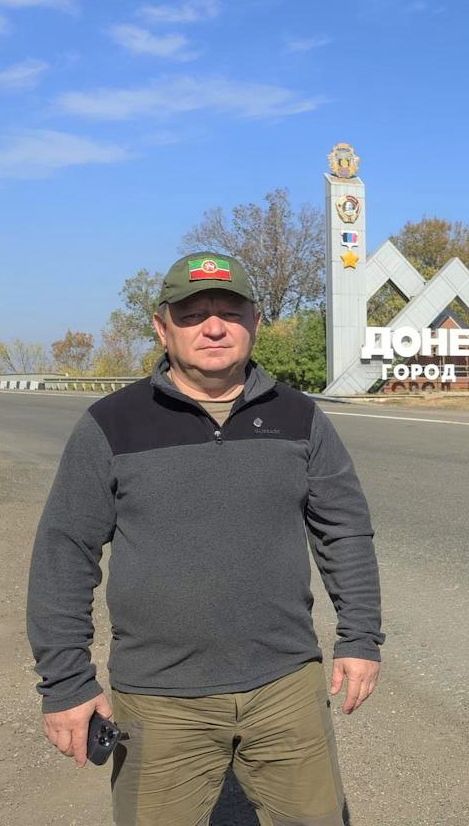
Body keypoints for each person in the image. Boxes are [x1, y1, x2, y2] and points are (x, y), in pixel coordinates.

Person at [27, 252, 382, 826]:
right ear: (161, 327)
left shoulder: (301, 417)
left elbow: (344, 530)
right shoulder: (110, 424)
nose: (213, 328)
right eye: (193, 315)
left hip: (286, 687)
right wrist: (67, 682)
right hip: (160, 699)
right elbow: (65, 553)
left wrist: (360, 638)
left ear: (255, 322)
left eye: (230, 312)